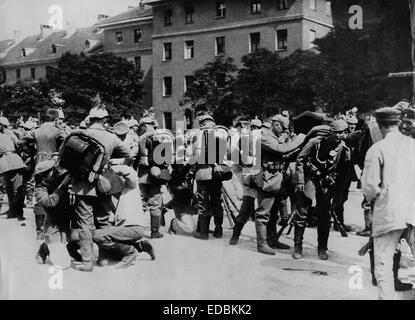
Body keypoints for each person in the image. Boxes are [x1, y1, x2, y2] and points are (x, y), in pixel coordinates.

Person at [68, 105, 131, 271]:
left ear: (90, 119)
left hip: (82, 185)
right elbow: (127, 153)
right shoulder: (111, 136)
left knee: (85, 224)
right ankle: (103, 258)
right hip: (104, 185)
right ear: (104, 120)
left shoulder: (80, 133)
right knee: (103, 222)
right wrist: (108, 155)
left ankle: (88, 262)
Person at [361, 107, 415, 299]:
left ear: (380, 124)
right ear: (399, 123)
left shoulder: (377, 149)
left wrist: (379, 198)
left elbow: (369, 187)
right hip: (413, 210)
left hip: (389, 213)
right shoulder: (412, 145)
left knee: (383, 267)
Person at [293, 120, 350, 260]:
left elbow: (344, 173)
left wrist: (338, 195)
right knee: (302, 213)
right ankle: (298, 246)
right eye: (336, 132)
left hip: (326, 183)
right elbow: (300, 159)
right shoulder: (316, 142)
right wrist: (300, 180)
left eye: (342, 132)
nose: (339, 135)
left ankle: (322, 248)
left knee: (325, 217)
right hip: (310, 179)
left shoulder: (343, 149)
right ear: (330, 132)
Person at [252, 115, 306, 255]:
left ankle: (272, 239)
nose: (284, 132)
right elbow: (281, 150)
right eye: (283, 128)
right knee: (263, 214)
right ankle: (262, 244)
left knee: (274, 213)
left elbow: (285, 155)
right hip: (267, 180)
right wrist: (300, 139)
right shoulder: (265, 137)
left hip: (277, 180)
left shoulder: (275, 138)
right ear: (276, 124)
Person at [93, 165, 155, 269]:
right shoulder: (110, 194)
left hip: (134, 228)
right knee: (111, 252)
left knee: (96, 235)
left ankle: (131, 252)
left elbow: (131, 172)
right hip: (124, 230)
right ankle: (141, 246)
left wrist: (111, 167)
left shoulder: (130, 186)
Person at [33, 159, 78, 264]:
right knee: (63, 264)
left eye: (51, 172)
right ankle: (43, 250)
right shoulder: (40, 189)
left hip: (67, 218)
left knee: (81, 234)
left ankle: (71, 248)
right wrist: (63, 185)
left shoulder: (61, 177)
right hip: (53, 222)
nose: (44, 178)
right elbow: (49, 202)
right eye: (43, 175)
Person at [193, 114, 228, 240]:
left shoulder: (198, 134)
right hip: (217, 173)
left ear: (202, 123)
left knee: (203, 202)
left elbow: (195, 154)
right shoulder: (221, 134)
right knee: (216, 201)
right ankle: (218, 230)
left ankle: (203, 233)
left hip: (203, 172)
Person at [134, 116, 170, 239]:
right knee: (155, 203)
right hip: (156, 176)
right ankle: (155, 232)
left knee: (141, 203)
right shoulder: (163, 137)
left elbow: (134, 157)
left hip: (143, 176)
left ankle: (136, 231)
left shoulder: (140, 139)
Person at [0, 116, 26, 221]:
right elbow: (20, 144)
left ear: (1, 125)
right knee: (17, 188)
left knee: (9, 189)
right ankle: (18, 213)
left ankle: (13, 211)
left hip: (4, 164)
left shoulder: (7, 134)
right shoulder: (12, 134)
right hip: (16, 162)